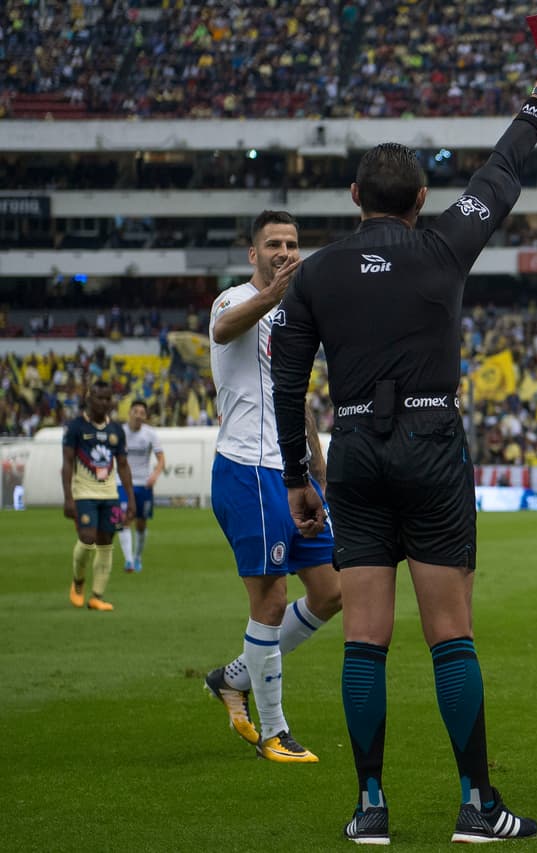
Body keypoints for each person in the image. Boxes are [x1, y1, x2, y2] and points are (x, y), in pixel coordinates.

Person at [270, 46, 537, 845]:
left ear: (353, 198)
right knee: (451, 633)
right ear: (422, 200)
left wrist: (299, 475)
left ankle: (370, 806)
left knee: (366, 636)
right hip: (432, 441)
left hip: (355, 449)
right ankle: (477, 804)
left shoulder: (315, 274)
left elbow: (288, 382)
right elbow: (500, 180)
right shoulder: (444, 246)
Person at [203, 209, 343, 764]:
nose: (284, 251)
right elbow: (222, 330)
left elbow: (292, 393)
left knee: (333, 591)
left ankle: (232, 676)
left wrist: (317, 464)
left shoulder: (294, 316)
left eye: (291, 243)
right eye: (273, 245)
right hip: (244, 467)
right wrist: (278, 294)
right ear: (252, 255)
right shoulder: (233, 299)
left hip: (290, 473)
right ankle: (274, 731)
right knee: (271, 597)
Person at [62, 380, 134, 611]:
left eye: (107, 398)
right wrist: (68, 497)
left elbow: (123, 464)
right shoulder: (76, 427)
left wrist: (130, 499)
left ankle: (97, 596)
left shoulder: (116, 430)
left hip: (109, 495)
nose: (104, 403)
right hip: (84, 494)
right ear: (89, 398)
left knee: (106, 543)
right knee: (87, 539)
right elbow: (66, 463)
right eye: (99, 398)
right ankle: (78, 582)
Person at [117, 399, 165, 572]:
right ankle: (128, 560)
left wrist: (154, 475)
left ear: (145, 416)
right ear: (129, 413)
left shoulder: (150, 434)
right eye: (135, 411)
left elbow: (161, 459)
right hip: (122, 483)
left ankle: (137, 556)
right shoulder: (120, 432)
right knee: (124, 519)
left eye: (142, 413)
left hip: (144, 484)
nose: (138, 415)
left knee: (141, 523)